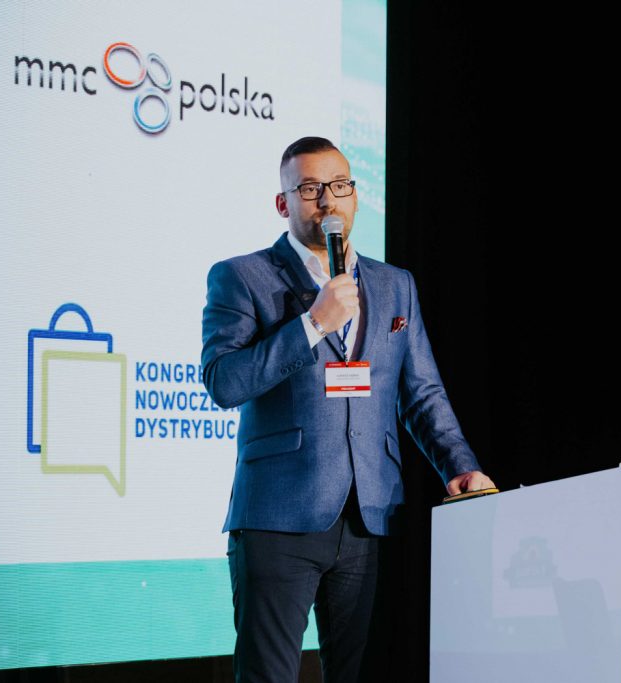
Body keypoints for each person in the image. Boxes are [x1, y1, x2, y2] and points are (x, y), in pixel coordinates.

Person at [201, 136, 494, 683]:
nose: (327, 200)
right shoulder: (241, 277)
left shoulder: (395, 285)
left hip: (368, 514)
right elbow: (224, 382)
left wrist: (459, 465)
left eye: (339, 186)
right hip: (278, 518)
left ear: (355, 196)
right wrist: (313, 323)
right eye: (310, 188)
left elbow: (421, 392)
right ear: (283, 203)